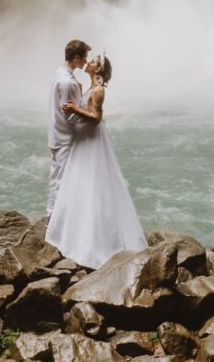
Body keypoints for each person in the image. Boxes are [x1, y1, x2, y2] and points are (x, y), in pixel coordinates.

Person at [45, 54, 147, 269]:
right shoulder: (89, 86)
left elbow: (96, 118)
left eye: (93, 61)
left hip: (91, 140)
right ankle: (77, 231)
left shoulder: (99, 90)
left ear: (97, 69)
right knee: (80, 184)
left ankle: (94, 241)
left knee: (93, 184)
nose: (89, 61)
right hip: (83, 140)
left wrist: (75, 109)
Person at [47, 38, 91, 216]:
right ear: (77, 57)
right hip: (64, 134)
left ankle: (56, 213)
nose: (86, 61)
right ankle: (54, 216)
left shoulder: (60, 72)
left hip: (57, 131)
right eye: (85, 57)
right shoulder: (68, 82)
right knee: (61, 177)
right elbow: (71, 116)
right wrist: (94, 119)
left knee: (58, 174)